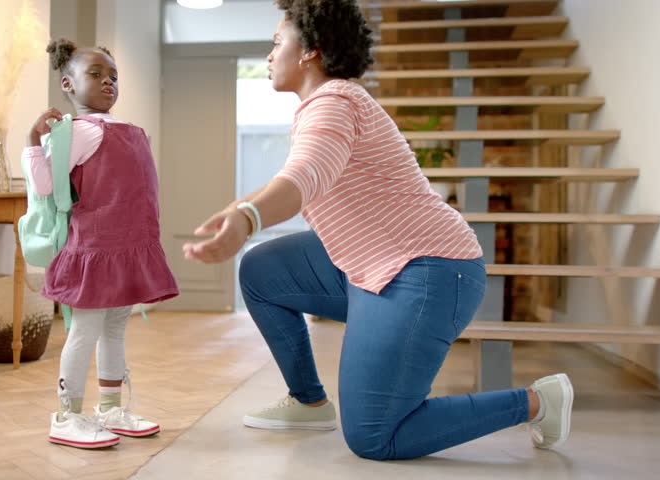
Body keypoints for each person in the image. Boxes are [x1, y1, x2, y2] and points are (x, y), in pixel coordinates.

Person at [182, 0, 573, 460]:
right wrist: (238, 213)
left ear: (310, 50)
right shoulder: (324, 106)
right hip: (372, 262)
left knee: (375, 435)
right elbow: (295, 178)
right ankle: (308, 401)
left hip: (429, 271)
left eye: (276, 42)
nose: (269, 55)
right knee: (262, 271)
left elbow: (304, 176)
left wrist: (248, 217)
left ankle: (537, 401)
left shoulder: (334, 103)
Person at [24, 38, 179, 449]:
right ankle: (65, 415)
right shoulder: (76, 132)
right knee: (85, 331)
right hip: (94, 251)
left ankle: (109, 407)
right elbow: (45, 185)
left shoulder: (129, 131)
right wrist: (31, 142)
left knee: (115, 329)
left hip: (128, 249)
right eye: (95, 74)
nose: (108, 81)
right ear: (68, 84)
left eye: (113, 75)